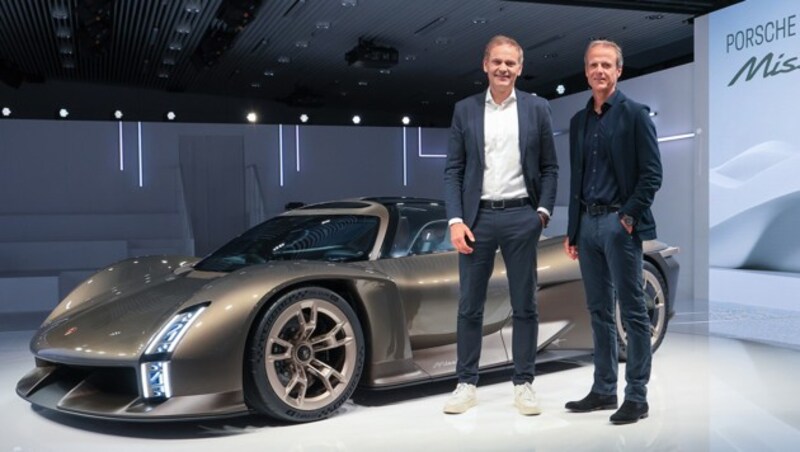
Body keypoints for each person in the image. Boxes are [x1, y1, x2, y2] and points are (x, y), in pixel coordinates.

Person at [442, 35, 558, 415]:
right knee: (469, 306)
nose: (504, 69)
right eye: (497, 62)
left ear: (520, 68)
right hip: (477, 220)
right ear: (485, 65)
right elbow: (454, 170)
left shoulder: (538, 109)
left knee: (525, 305)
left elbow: (550, 167)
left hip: (521, 217)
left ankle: (524, 383)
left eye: (511, 63)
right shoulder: (465, 110)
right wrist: (456, 219)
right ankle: (465, 383)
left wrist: (541, 214)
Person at [563, 39, 662, 424]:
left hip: (620, 225)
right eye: (593, 65)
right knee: (598, 310)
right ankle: (604, 390)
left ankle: (636, 396)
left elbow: (652, 175)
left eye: (607, 65)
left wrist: (628, 217)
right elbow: (578, 180)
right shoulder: (578, 121)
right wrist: (573, 229)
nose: (599, 71)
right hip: (587, 225)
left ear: (619, 70)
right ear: (586, 71)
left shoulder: (636, 115)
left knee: (634, 312)